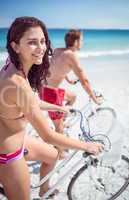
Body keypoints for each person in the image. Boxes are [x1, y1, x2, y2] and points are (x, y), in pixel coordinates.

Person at [0, 17, 102, 200]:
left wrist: (59, 108)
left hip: (18, 139)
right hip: (8, 155)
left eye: (42, 41)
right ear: (15, 46)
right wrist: (86, 145)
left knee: (54, 155)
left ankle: (43, 190)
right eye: (32, 43)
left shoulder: (13, 65)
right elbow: (48, 136)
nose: (41, 48)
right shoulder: (16, 83)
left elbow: (28, 101)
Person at [39, 29, 102, 135]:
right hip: (50, 94)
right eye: (81, 40)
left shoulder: (58, 50)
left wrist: (68, 80)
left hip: (43, 88)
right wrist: (94, 98)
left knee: (72, 96)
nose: (82, 43)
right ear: (76, 42)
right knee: (59, 130)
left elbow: (55, 67)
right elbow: (84, 81)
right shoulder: (72, 56)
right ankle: (59, 150)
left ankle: (61, 119)